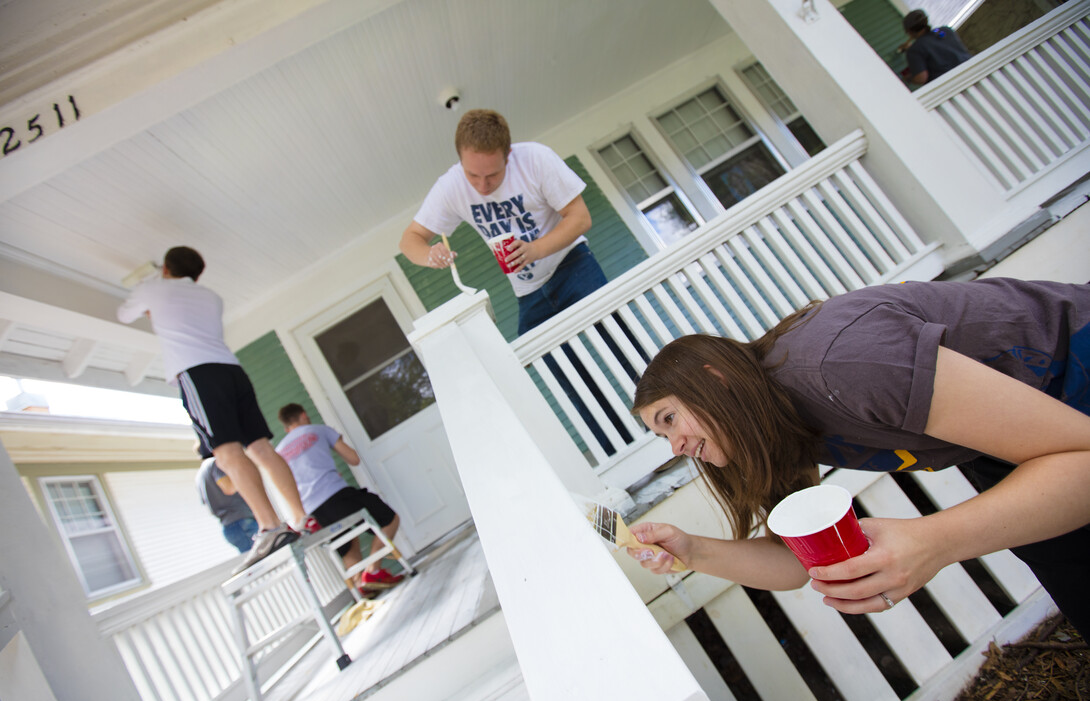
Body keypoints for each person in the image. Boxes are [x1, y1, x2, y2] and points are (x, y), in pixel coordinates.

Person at [625, 278, 1090, 637]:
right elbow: (796, 563)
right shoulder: (778, 431)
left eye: (669, 419)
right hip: (1007, 444)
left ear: (717, 380)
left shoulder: (840, 362)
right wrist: (695, 550)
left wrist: (933, 541)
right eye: (661, 437)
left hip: (1073, 370)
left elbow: (1083, 453)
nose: (676, 447)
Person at [399, 108, 634, 454]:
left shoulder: (536, 159)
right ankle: (621, 448)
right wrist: (429, 254)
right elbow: (410, 240)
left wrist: (536, 249)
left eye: (492, 175)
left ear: (508, 154)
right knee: (562, 374)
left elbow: (580, 218)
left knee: (619, 347)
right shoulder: (451, 186)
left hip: (573, 266)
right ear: (460, 160)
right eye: (472, 175)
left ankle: (671, 429)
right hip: (529, 293)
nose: (482, 186)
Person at [118, 246, 307, 573]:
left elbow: (124, 314)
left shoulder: (153, 288)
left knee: (226, 453)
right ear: (196, 273)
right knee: (260, 447)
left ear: (165, 268)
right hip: (232, 370)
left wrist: (147, 289)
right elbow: (178, 316)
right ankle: (303, 517)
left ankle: (270, 527)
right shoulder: (210, 297)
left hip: (197, 374)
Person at [275, 403, 405, 591]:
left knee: (346, 544)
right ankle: (373, 571)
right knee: (390, 519)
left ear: (286, 428)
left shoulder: (278, 453)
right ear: (303, 415)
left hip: (312, 510)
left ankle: (361, 587)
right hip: (336, 494)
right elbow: (353, 459)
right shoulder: (319, 430)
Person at [197, 456, 259, 553]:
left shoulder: (199, 476)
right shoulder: (215, 464)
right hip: (243, 522)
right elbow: (228, 487)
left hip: (229, 527)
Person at [900, 9, 972, 85]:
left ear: (910, 31)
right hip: (973, 70)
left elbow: (921, 78)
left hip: (954, 84)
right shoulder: (945, 30)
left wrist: (909, 78)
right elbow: (937, 45)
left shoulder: (914, 50)